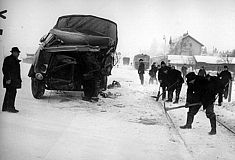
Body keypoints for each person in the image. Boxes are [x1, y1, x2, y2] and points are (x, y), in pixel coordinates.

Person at [2, 47, 22, 113]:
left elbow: (17, 72)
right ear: (13, 52)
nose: (18, 54)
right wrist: (8, 79)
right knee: (11, 93)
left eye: (18, 53)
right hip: (10, 80)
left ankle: (6, 107)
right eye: (16, 52)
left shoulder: (15, 60)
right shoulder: (9, 59)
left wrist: (19, 80)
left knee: (10, 93)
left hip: (14, 80)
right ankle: (10, 107)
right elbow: (5, 69)